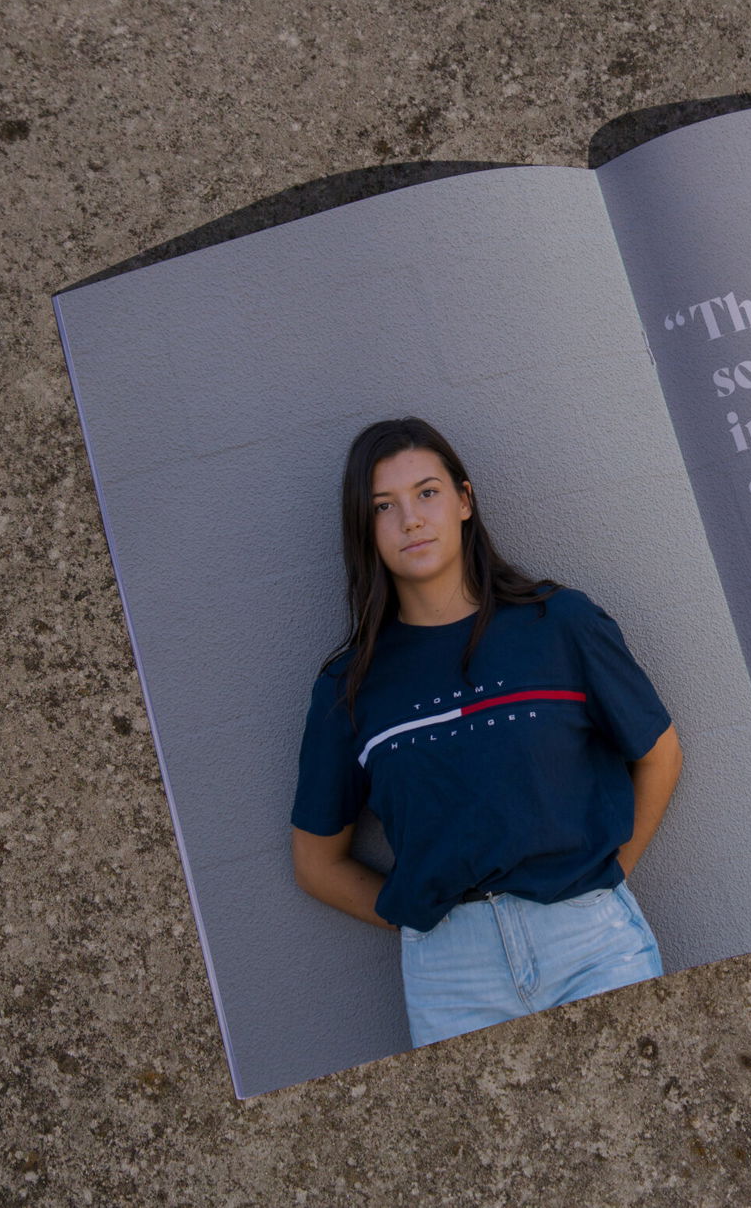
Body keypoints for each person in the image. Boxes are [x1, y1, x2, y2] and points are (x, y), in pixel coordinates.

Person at [289, 416, 683, 1047]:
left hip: (592, 948)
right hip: (451, 981)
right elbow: (317, 863)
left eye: (427, 493)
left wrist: (600, 881)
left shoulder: (560, 624)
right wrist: (423, 919)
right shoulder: (348, 688)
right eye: (382, 506)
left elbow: (659, 755)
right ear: (365, 530)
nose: (410, 519)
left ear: (464, 501)